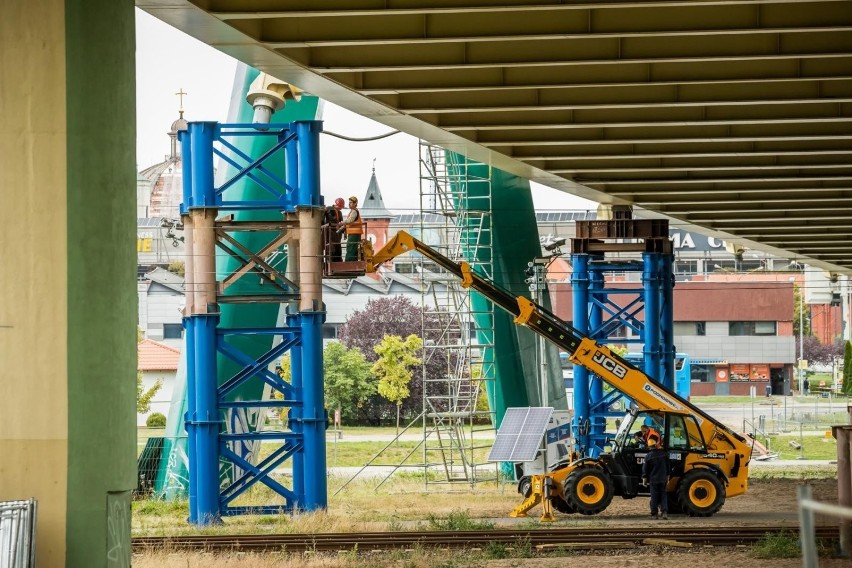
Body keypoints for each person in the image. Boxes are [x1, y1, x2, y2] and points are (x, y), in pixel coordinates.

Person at [642, 434, 669, 520]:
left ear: (649, 446)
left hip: (653, 479)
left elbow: (645, 469)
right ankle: (664, 512)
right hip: (663, 478)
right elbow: (668, 466)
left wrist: (644, 478)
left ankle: (654, 514)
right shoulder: (663, 454)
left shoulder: (648, 456)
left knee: (654, 496)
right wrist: (667, 476)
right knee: (663, 495)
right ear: (656, 444)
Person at [340, 195, 362, 261]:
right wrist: (340, 228)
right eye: (349, 202)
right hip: (354, 234)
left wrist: (341, 222)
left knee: (351, 248)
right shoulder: (352, 211)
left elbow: (349, 221)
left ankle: (348, 263)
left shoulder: (354, 211)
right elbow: (349, 223)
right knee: (353, 248)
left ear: (355, 204)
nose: (349, 204)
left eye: (351, 202)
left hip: (354, 234)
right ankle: (352, 262)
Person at [323, 197, 344, 262]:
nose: (341, 208)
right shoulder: (329, 209)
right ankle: (330, 261)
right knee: (331, 248)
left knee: (338, 248)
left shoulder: (339, 213)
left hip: (337, 234)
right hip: (330, 232)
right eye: (340, 207)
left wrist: (343, 230)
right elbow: (323, 219)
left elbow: (341, 222)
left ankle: (338, 262)